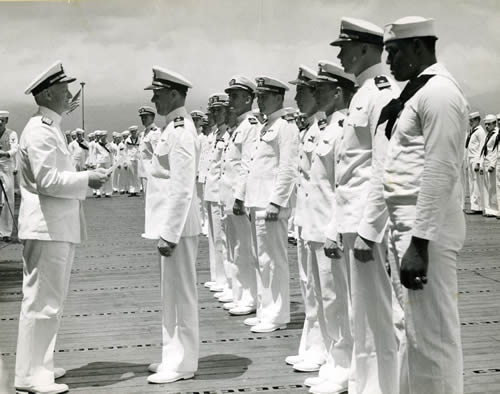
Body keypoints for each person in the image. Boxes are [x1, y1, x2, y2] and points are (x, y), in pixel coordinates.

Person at [383, 16, 469, 394]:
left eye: (394, 52)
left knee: (433, 337)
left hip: (425, 233)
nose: (388, 62)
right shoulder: (418, 92)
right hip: (409, 226)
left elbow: (440, 169)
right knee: (414, 333)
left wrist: (420, 244)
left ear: (418, 48)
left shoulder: (439, 94)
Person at [15, 60, 108, 394]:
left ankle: (40, 365)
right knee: (42, 303)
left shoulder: (49, 127)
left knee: (48, 302)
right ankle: (30, 376)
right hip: (47, 228)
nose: (70, 94)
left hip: (55, 227)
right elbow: (47, 180)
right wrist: (89, 178)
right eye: (65, 89)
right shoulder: (39, 130)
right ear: (50, 93)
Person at [326, 16, 401, 394]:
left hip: (365, 218)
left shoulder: (381, 92)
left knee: (378, 312)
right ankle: (363, 381)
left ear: (366, 48)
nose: (340, 54)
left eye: (345, 47)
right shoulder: (362, 92)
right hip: (351, 213)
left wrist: (370, 229)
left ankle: (381, 386)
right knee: (361, 310)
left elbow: (383, 165)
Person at [143, 65, 201, 384]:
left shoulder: (180, 130)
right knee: (171, 296)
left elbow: (182, 187)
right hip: (171, 226)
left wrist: (169, 233)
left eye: (158, 93)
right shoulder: (170, 128)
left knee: (182, 295)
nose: (154, 99)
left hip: (177, 228)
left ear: (175, 94)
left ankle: (184, 363)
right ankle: (171, 355)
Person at [236, 76, 299, 333]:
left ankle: (278, 314)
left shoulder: (285, 126)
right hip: (257, 202)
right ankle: (265, 309)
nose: (259, 101)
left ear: (278, 97)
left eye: (264, 96)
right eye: (258, 96)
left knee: (274, 260)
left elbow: (288, 167)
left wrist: (277, 201)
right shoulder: (266, 126)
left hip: (270, 204)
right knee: (262, 259)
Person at [285, 65, 327, 373]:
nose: (297, 97)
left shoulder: (326, 128)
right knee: (310, 288)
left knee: (329, 292)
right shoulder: (310, 129)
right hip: (306, 221)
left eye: (301, 91)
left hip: (324, 224)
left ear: (316, 93)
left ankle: (328, 353)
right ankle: (313, 346)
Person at [220, 75, 260, 316]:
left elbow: (248, 165)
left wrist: (240, 198)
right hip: (228, 197)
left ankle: (249, 297)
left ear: (248, 98)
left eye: (235, 96)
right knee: (234, 249)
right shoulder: (239, 127)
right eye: (230, 96)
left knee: (244, 250)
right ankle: (239, 293)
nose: (230, 101)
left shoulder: (251, 126)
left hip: (238, 200)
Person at [204, 93, 232, 299]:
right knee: (214, 239)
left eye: (219, 110)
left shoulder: (230, 134)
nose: (215, 114)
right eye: (213, 111)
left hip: (222, 193)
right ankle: (217, 276)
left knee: (224, 239)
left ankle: (225, 280)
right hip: (211, 191)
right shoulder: (214, 135)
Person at [0, 110, 19, 242]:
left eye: (2, 120)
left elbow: (14, 148)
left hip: (6, 166)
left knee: (7, 198)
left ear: (6, 121)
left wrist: (6, 154)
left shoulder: (11, 134)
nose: (0, 122)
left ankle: (5, 231)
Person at [464, 112, 486, 214]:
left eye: (472, 121)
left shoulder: (480, 132)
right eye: (469, 121)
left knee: (477, 183)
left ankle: (478, 207)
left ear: (477, 120)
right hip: (470, 159)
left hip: (475, 159)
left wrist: (478, 162)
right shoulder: (473, 131)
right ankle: (474, 205)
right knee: (472, 183)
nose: (470, 123)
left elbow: (482, 147)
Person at [477, 115, 498, 217]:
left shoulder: (496, 135)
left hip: (491, 165)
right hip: (485, 163)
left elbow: (495, 152)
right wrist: (481, 164)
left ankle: (495, 210)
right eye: (485, 124)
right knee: (487, 188)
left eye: (489, 124)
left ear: (494, 123)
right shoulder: (488, 135)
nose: (487, 126)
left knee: (493, 188)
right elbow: (483, 151)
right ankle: (489, 209)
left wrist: (492, 165)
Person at [138, 105, 161, 193]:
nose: (143, 119)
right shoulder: (143, 133)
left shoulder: (155, 133)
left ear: (152, 117)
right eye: (142, 117)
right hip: (144, 172)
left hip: (152, 173)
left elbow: (158, 154)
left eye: (146, 117)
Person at [93, 130, 114, 198]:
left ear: (106, 136)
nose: (103, 137)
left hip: (107, 162)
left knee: (108, 177)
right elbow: (94, 154)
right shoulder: (96, 144)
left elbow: (111, 154)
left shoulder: (109, 144)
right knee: (99, 177)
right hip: (99, 162)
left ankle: (108, 192)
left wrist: (112, 164)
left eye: (104, 136)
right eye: (102, 136)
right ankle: (99, 192)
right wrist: (93, 163)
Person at [124, 125, 141, 196]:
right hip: (130, 159)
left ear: (136, 132)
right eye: (132, 132)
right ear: (130, 132)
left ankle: (137, 190)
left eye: (134, 131)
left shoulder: (140, 139)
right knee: (131, 175)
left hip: (137, 159)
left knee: (137, 175)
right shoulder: (127, 140)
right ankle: (131, 190)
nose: (133, 133)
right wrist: (125, 161)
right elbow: (125, 151)